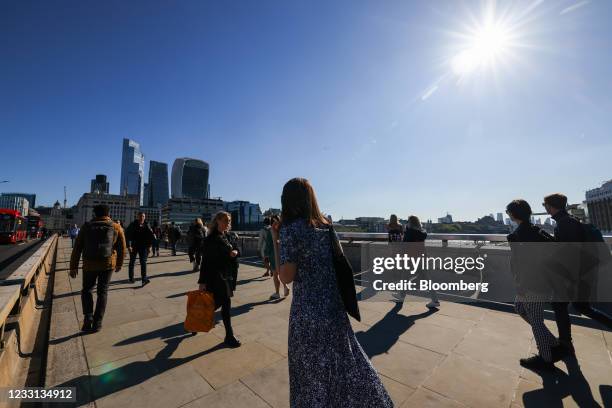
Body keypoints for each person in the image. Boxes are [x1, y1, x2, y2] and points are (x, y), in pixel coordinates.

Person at [273, 177, 392, 407]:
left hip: (307, 313)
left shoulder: (290, 230)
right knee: (346, 364)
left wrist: (276, 240)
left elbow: (285, 277)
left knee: (310, 374)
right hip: (334, 308)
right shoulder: (326, 227)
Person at [544, 193, 612, 357]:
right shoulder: (568, 221)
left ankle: (565, 344)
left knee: (559, 305)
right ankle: (565, 343)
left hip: (576, 274)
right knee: (582, 307)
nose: (544, 207)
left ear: (551, 206)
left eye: (544, 204)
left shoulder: (565, 223)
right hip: (584, 273)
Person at [506, 199, 563, 370]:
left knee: (536, 321)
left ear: (513, 215)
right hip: (544, 280)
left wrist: (521, 286)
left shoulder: (516, 236)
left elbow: (519, 264)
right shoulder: (539, 231)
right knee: (520, 307)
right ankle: (554, 343)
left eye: (508, 212)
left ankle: (546, 358)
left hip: (531, 284)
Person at [69, 204, 126, 333]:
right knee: (102, 292)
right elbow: (122, 247)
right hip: (107, 264)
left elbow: (77, 247)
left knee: (87, 290)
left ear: (94, 214)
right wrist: (119, 264)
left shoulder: (86, 227)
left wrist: (73, 267)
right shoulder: (116, 227)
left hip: (89, 264)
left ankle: (88, 316)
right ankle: (97, 323)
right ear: (108, 213)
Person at [198, 211, 241, 348]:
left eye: (229, 221)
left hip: (227, 276)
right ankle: (229, 336)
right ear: (217, 221)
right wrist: (202, 282)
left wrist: (235, 252)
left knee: (216, 304)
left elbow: (237, 249)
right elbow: (205, 262)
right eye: (225, 220)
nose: (227, 223)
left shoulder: (228, 235)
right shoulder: (210, 239)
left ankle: (196, 321)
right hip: (216, 277)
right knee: (225, 304)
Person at [402, 215, 440, 309]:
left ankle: (435, 300)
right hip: (422, 257)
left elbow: (404, 244)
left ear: (410, 223)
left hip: (412, 258)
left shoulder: (409, 232)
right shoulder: (422, 232)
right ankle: (401, 295)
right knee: (426, 278)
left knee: (406, 276)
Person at [126, 212, 155, 286]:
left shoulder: (147, 224)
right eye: (140, 216)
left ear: (145, 217)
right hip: (134, 246)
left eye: (143, 216)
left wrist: (150, 246)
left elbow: (150, 236)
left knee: (143, 262)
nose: (142, 217)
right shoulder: (133, 224)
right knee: (132, 262)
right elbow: (128, 235)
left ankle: (144, 279)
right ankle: (131, 278)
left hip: (144, 246)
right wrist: (129, 246)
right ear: (137, 217)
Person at [266, 214, 289, 299]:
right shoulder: (282, 230)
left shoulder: (270, 230)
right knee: (281, 271)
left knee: (275, 274)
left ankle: (277, 292)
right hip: (282, 253)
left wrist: (266, 254)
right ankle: (285, 287)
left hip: (273, 254)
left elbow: (268, 244)